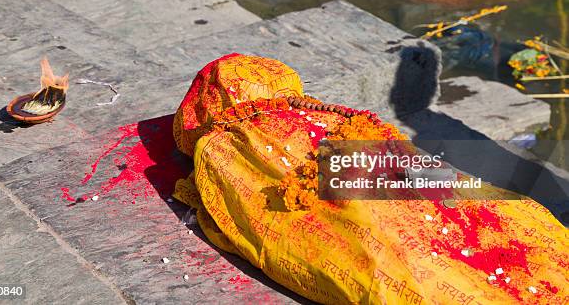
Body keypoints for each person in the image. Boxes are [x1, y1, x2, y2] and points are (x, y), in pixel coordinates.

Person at [172, 53, 567, 304]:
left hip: (365, 206)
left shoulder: (220, 145)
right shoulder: (319, 112)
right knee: (471, 220)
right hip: (391, 185)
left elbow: (236, 214)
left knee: (411, 252)